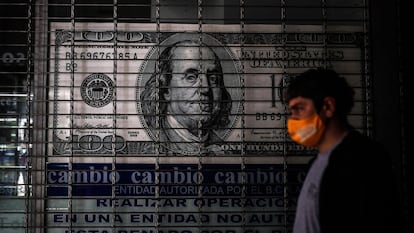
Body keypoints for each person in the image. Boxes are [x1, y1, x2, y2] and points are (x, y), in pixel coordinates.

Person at [284, 68, 400, 233]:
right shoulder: (317, 163)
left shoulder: (365, 159)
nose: (293, 118)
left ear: (328, 106)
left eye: (299, 108)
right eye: (291, 111)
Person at [140, 40, 232, 155]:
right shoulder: (154, 144)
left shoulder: (226, 149)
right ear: (165, 89)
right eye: (191, 77)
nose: (206, 89)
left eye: (213, 79)